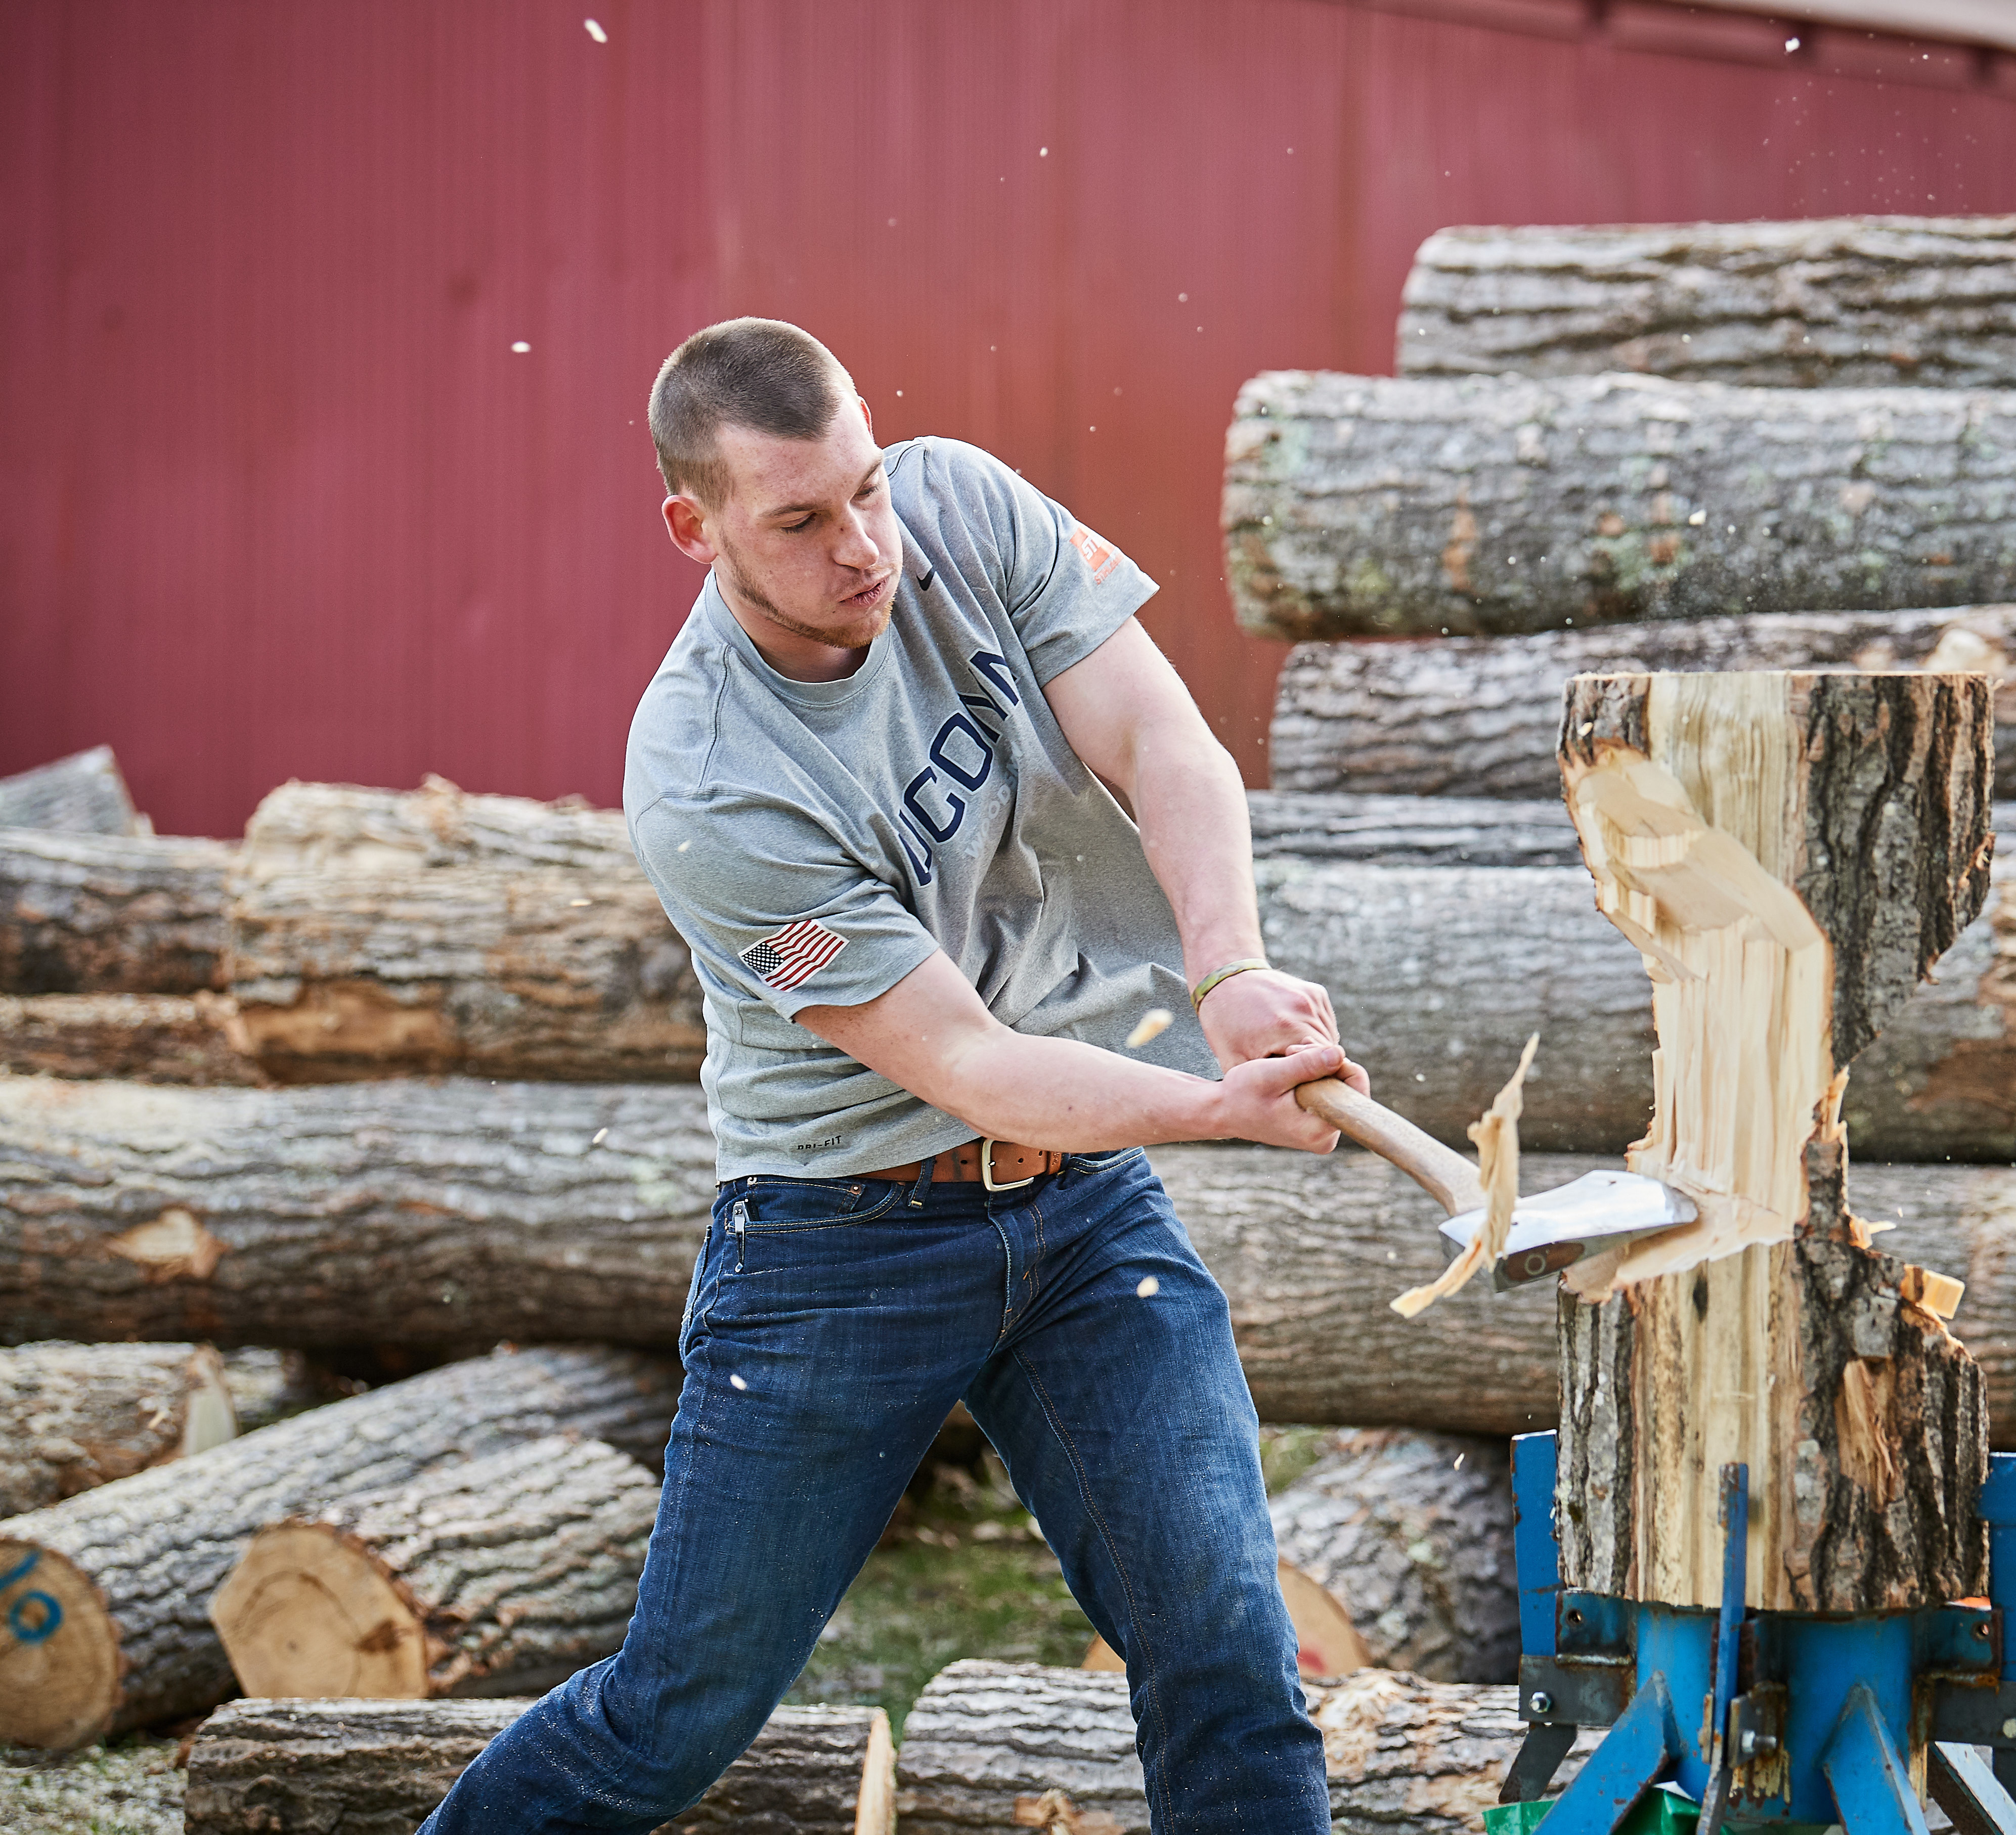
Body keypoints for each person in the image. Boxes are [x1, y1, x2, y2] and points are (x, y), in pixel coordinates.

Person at [419, 317, 1354, 1833]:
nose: (864, 547)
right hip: (836, 1247)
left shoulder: (959, 509)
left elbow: (1166, 740)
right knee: (676, 1714)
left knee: (1225, 1649)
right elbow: (971, 1066)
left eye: (863, 488)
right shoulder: (713, 777)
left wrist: (1229, 971)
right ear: (696, 527)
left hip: (1077, 1217)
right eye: (799, 519)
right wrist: (1208, 1104)